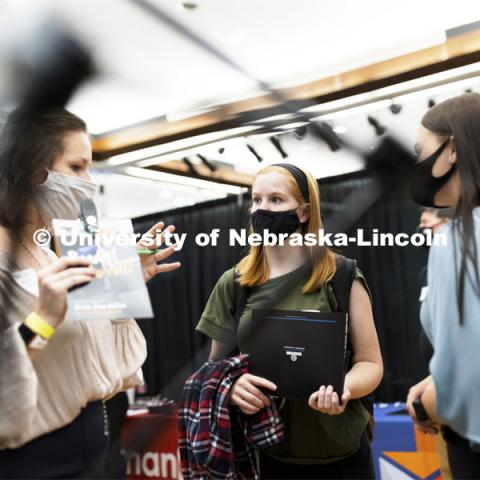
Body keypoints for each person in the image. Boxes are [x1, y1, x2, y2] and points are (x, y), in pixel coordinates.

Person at [0, 107, 180, 479]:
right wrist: (43, 319)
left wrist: (127, 282)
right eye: (78, 167)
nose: (89, 182)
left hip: (94, 442)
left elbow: (105, 363)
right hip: (34, 462)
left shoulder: (48, 252)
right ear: (36, 172)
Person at [196, 163, 383, 479]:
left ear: (304, 212)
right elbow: (214, 371)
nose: (262, 210)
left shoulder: (341, 275)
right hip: (265, 454)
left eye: (276, 200)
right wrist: (232, 386)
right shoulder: (234, 282)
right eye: (256, 200)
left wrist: (344, 388)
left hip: (342, 453)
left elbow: (370, 363)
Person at [407, 92, 480, 479]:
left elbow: (464, 378)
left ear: (451, 150)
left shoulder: (457, 240)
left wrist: (427, 404)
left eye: (422, 150)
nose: (418, 162)